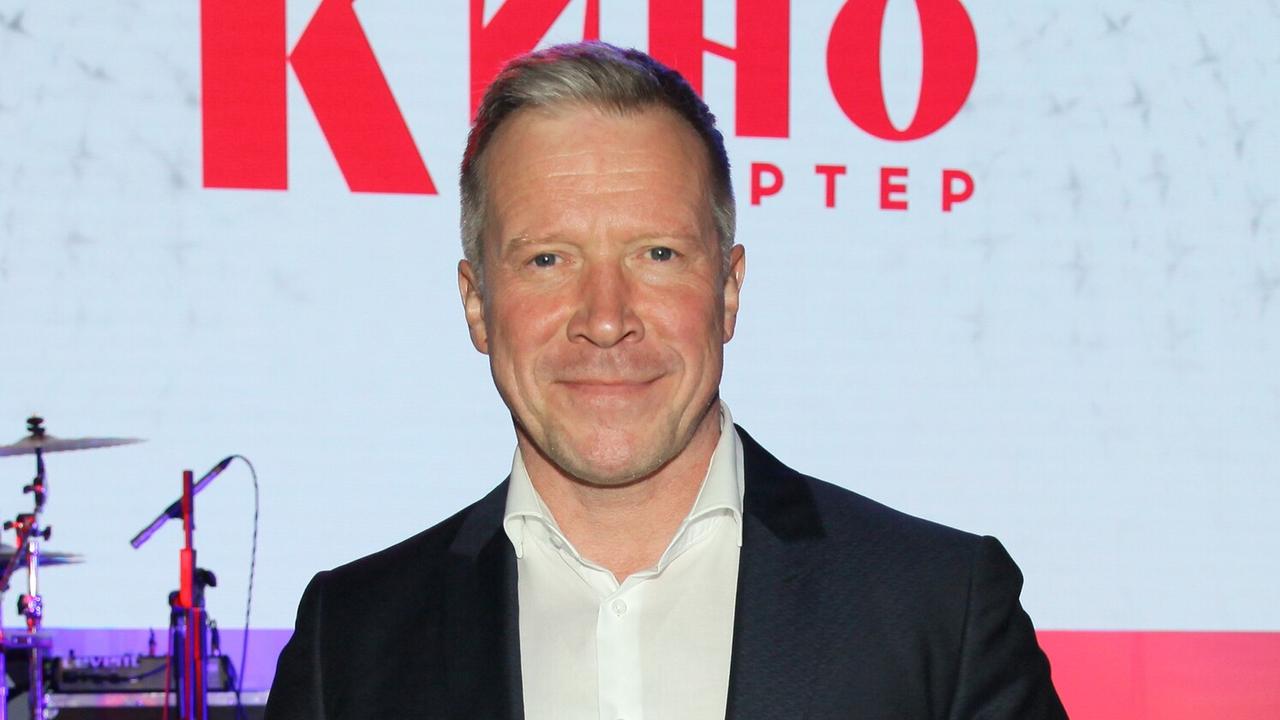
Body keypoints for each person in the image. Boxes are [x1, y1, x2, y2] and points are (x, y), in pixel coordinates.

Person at [265, 42, 1067, 720]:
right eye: (548, 259)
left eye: (657, 254)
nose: (605, 318)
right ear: (478, 305)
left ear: (728, 292)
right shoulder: (351, 642)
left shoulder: (940, 612)